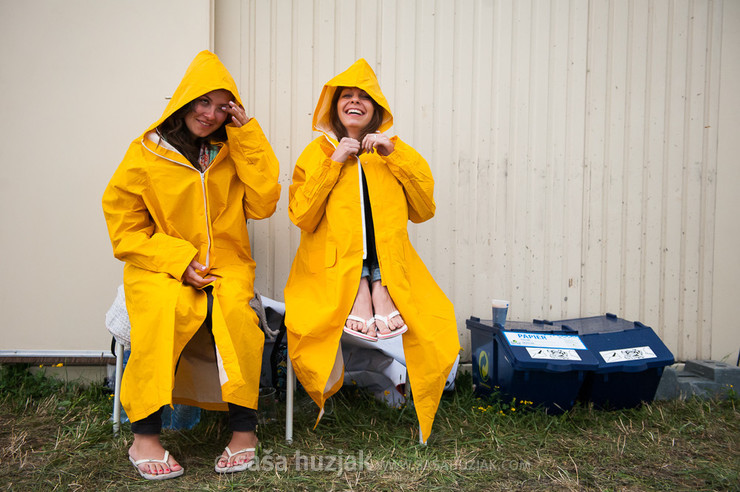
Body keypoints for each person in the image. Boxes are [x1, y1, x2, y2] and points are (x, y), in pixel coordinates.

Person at [102, 50, 280, 480]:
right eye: (204, 102)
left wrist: (246, 135)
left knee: (236, 315)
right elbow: (125, 230)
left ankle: (244, 431)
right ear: (185, 101)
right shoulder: (146, 153)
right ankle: (144, 436)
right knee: (162, 313)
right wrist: (179, 262)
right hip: (159, 265)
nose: (211, 114)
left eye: (223, 107)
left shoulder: (231, 150)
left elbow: (264, 201)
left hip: (226, 261)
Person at [284, 59, 460, 442]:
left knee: (439, 322)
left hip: (395, 268)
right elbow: (302, 216)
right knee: (307, 326)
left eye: (364, 97)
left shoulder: (395, 150)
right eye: (347, 95)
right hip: (330, 272)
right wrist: (334, 163)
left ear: (376, 109)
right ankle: (365, 286)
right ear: (333, 107)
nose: (355, 102)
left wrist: (392, 155)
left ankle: (376, 283)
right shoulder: (315, 154)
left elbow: (424, 210)